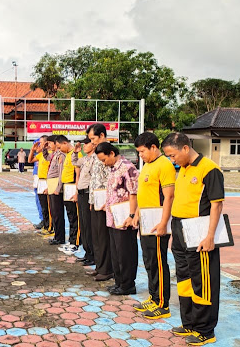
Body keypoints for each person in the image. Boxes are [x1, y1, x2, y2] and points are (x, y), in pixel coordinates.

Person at [162, 132, 224, 346]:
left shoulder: (209, 169)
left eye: (172, 155)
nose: (172, 160)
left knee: (202, 281)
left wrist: (210, 236)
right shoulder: (184, 169)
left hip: (199, 230)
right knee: (184, 278)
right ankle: (188, 322)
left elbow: (216, 205)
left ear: (185, 148)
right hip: (180, 229)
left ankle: (205, 329)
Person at [132, 132, 175, 319]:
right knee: (149, 262)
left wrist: (164, 223)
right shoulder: (147, 166)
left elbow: (169, 196)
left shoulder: (164, 165)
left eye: (142, 151)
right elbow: (143, 194)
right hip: (146, 221)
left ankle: (163, 304)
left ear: (153, 147)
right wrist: (137, 215)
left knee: (158, 263)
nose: (140, 155)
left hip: (158, 222)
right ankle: (153, 296)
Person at [96, 142, 139, 295]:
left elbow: (134, 193)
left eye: (104, 160)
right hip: (113, 218)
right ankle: (119, 282)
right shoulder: (113, 168)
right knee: (116, 253)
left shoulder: (128, 168)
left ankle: (128, 285)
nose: (104, 163)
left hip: (125, 218)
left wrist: (132, 215)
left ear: (112, 154)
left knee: (125, 253)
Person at [86, 123, 114, 282]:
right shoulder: (96, 154)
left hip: (105, 201)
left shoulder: (108, 153)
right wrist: (91, 200)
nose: (92, 142)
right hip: (95, 200)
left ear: (102, 135)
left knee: (103, 237)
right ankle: (99, 266)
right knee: (96, 236)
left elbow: (111, 180)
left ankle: (106, 269)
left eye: (93, 138)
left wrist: (107, 201)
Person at [56, 135, 82, 253]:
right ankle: (71, 240)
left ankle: (75, 242)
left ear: (65, 143)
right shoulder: (67, 155)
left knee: (75, 217)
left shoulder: (76, 155)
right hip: (67, 188)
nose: (59, 149)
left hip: (72, 187)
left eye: (59, 146)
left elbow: (78, 175)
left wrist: (77, 191)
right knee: (70, 215)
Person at [72, 138, 95, 267]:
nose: (84, 146)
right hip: (81, 193)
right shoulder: (85, 159)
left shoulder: (95, 159)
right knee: (83, 224)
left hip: (88, 194)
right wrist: (75, 152)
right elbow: (74, 162)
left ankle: (92, 254)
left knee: (88, 225)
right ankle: (87, 253)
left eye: (87, 143)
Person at [44, 135, 66, 245]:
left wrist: (58, 188)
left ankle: (60, 237)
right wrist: (44, 148)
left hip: (56, 186)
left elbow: (61, 173)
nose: (49, 145)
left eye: (50, 143)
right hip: (52, 185)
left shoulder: (61, 156)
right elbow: (46, 157)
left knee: (58, 213)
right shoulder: (54, 155)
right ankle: (57, 236)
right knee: (54, 212)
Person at [28, 136, 50, 232]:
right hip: (39, 179)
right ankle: (43, 221)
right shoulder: (40, 155)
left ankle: (48, 224)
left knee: (47, 204)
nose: (38, 145)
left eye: (39, 143)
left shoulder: (49, 155)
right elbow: (30, 160)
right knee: (39, 202)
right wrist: (32, 150)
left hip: (47, 181)